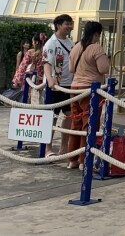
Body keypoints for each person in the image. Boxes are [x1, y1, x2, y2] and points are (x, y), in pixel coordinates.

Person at [67, 21, 110, 169]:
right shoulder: (96, 48)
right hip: (90, 89)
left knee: (75, 124)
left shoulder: (76, 47)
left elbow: (71, 69)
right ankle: (84, 160)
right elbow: (103, 69)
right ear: (96, 34)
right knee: (89, 124)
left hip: (74, 89)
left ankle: (72, 159)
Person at [41, 14, 75, 158]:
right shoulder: (51, 43)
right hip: (54, 86)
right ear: (58, 25)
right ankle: (47, 149)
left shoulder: (71, 43)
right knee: (52, 117)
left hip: (68, 85)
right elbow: (46, 63)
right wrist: (50, 79)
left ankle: (63, 148)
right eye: (67, 24)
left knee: (69, 116)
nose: (69, 26)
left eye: (70, 24)